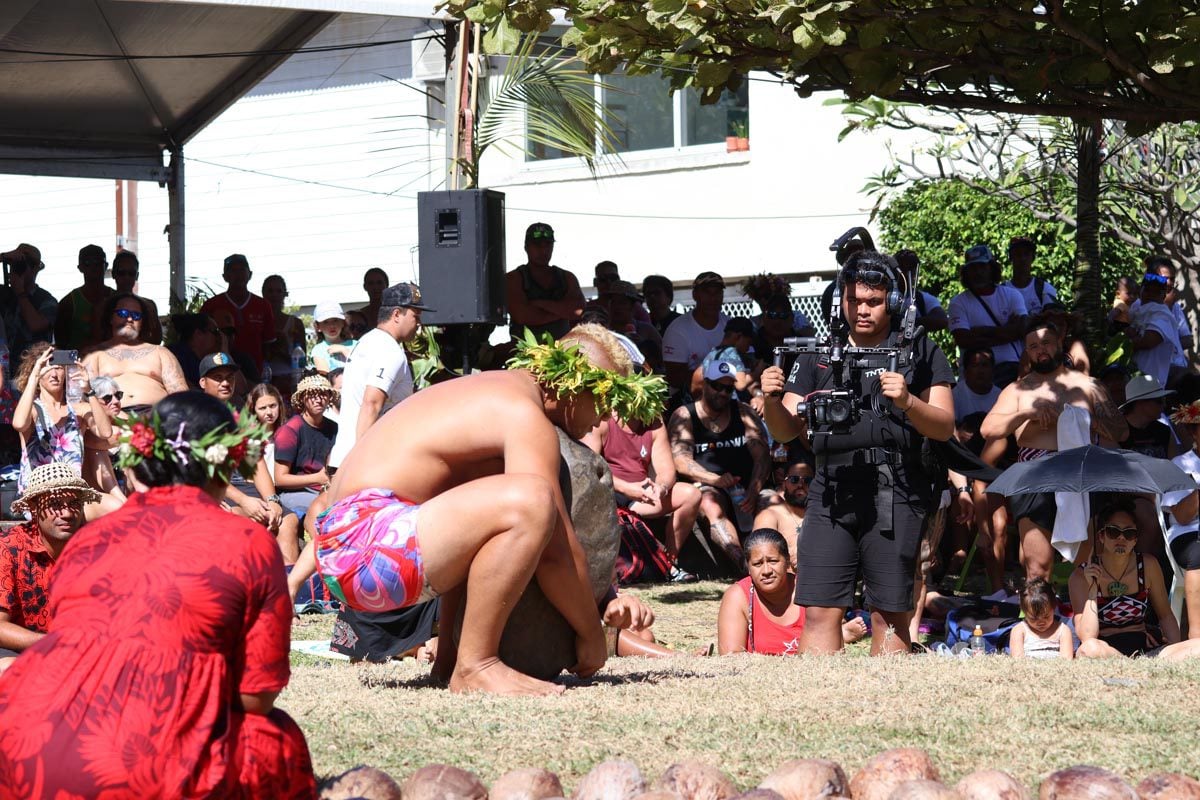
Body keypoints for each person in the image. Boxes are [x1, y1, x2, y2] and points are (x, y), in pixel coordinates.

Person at [288, 323, 666, 696]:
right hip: (367, 553)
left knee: (486, 498)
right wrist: (591, 635)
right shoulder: (522, 413)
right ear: (572, 385)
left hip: (345, 550)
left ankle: (450, 660)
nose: (601, 420)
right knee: (531, 500)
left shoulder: (490, 390)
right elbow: (556, 551)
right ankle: (476, 665)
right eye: (601, 403)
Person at [0, 393, 316, 796]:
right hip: (142, 765)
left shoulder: (85, 543)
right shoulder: (247, 542)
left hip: (31, 750)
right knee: (273, 737)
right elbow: (256, 697)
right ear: (224, 465)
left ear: (138, 469)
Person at [761, 250, 955, 656]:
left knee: (889, 613)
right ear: (841, 300)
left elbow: (944, 425)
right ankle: (822, 702)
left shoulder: (919, 349)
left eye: (874, 302)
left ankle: (886, 702)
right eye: (854, 301)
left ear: (894, 303)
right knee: (819, 609)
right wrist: (773, 400)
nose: (862, 310)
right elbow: (786, 431)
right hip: (830, 489)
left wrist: (907, 402)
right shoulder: (820, 352)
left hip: (894, 490)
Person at [981, 320, 1128, 581]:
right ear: (1027, 352)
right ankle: (1039, 620)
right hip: (1034, 478)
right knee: (1037, 567)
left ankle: (1082, 619)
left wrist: (1084, 419)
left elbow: (1121, 431)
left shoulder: (1088, 386)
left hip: (1081, 474)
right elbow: (988, 430)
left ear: (1060, 343)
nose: (1041, 350)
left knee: (1086, 567)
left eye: (1047, 342)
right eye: (1033, 346)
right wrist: (1027, 412)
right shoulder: (1017, 390)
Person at [668, 359, 770, 570]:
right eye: (717, 386)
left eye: (728, 388)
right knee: (709, 503)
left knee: (772, 500)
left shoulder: (743, 412)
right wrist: (715, 479)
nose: (723, 393)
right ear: (704, 384)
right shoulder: (685, 415)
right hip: (709, 485)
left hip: (746, 485)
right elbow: (681, 460)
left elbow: (762, 455)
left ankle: (775, 563)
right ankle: (744, 565)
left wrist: (754, 488)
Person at [1069, 498, 1200, 660]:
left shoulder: (1148, 565)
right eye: (1113, 531)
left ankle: (1137, 665)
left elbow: (1165, 615)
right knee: (1088, 649)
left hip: (1146, 649)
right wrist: (1092, 592)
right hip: (1107, 650)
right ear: (1101, 536)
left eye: (1129, 533)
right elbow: (1087, 636)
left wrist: (1174, 648)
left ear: (1135, 539)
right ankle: (1130, 665)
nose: (1121, 539)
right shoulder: (1081, 576)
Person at [0, 463, 99, 662]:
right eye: (55, 505)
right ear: (34, 508)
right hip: (22, 649)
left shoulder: (94, 547)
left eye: (74, 504)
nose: (68, 513)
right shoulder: (9, 547)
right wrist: (51, 643)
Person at [327, 282, 428, 473]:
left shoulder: (368, 341)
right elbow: (371, 404)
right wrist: (361, 464)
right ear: (397, 314)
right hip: (361, 464)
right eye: (416, 316)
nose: (419, 323)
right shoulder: (389, 350)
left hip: (345, 458)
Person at [716, 529, 867, 655]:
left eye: (773, 561)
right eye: (757, 564)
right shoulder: (737, 596)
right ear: (748, 567)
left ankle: (840, 633)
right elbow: (731, 656)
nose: (766, 571)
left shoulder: (809, 587)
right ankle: (842, 634)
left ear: (787, 561)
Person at [582, 408, 701, 563]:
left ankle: (668, 563)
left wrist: (661, 488)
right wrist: (626, 488)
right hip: (610, 496)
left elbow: (667, 470)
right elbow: (590, 468)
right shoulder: (603, 420)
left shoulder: (654, 423)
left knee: (691, 494)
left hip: (641, 497)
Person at [12, 345, 113, 508]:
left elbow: (105, 432)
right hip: (38, 497)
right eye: (47, 368)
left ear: (66, 372)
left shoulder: (79, 410)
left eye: (58, 368)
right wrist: (34, 376)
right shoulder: (33, 410)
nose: (53, 373)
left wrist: (89, 391)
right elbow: (19, 423)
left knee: (115, 506)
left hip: (71, 496)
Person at [83, 292, 188, 414]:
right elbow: (84, 396)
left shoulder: (161, 352)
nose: (129, 319)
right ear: (111, 318)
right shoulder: (94, 354)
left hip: (157, 420)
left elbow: (181, 396)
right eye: (122, 313)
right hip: (111, 422)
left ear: (142, 322)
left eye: (136, 315)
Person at [947, 244, 1028, 387]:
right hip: (975, 379)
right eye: (973, 268)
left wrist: (980, 332)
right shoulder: (958, 303)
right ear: (966, 272)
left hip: (1014, 373)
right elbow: (964, 339)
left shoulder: (1012, 295)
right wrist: (1007, 330)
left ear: (992, 268)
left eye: (982, 267)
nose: (978, 272)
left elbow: (1023, 329)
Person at [506, 222, 585, 341]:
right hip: (525, 354)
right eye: (537, 245)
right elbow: (523, 316)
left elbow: (578, 311)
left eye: (548, 245)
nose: (543, 250)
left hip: (562, 353)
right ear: (526, 247)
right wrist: (562, 311)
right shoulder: (514, 278)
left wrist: (540, 304)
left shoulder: (567, 277)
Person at [274, 375, 338, 519]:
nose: (318, 399)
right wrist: (317, 478)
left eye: (323, 394)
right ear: (303, 399)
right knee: (330, 508)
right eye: (312, 395)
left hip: (326, 488)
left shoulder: (334, 427)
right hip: (295, 493)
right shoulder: (290, 430)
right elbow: (280, 479)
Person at [200, 253, 276, 375]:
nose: (238, 275)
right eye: (232, 271)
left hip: (255, 375)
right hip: (221, 373)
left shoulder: (263, 305)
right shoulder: (211, 305)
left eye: (241, 270)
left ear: (250, 274)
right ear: (225, 276)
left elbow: (269, 346)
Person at [662, 272, 730, 397]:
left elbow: (745, 362)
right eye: (707, 293)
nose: (712, 298)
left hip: (727, 393)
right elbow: (675, 378)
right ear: (695, 295)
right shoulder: (677, 330)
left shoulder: (730, 324)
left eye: (717, 293)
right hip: (687, 397)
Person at [0, 242, 57, 367]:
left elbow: (36, 324)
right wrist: (2, 257)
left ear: (35, 268)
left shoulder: (47, 300)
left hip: (33, 371)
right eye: (14, 265)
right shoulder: (4, 294)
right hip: (5, 371)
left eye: (23, 265)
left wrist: (20, 292)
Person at [1124, 271, 1185, 388]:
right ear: (1140, 291)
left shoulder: (1163, 316)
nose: (1150, 295)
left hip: (1151, 384)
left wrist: (1126, 341)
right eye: (1147, 290)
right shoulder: (1138, 311)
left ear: (1163, 296)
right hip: (1134, 380)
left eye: (1156, 292)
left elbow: (1147, 342)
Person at [751, 458, 813, 568]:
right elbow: (758, 556)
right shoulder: (769, 516)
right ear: (784, 484)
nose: (800, 484)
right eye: (794, 479)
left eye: (807, 480)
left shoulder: (823, 516)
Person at [54, 243, 115, 351]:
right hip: (78, 364)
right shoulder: (68, 303)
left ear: (105, 265)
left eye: (98, 262)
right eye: (88, 263)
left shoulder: (117, 299)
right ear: (80, 267)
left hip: (113, 363)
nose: (93, 267)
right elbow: (61, 346)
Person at [261, 274, 307, 397]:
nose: (274, 295)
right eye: (270, 291)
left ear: (285, 294)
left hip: (290, 381)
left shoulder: (295, 323)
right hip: (264, 379)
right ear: (263, 293)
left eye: (278, 291)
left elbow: (302, 360)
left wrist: (283, 349)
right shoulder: (258, 321)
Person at [1008, 578, 1073, 659]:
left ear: (1054, 608)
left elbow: (1066, 660)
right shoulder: (1019, 631)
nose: (1041, 622)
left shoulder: (1063, 631)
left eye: (1046, 616)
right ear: (1024, 611)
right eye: (1033, 618)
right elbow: (1017, 660)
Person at [1119, 373, 1178, 460]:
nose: (1164, 405)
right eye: (1159, 400)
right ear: (1140, 403)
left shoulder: (1165, 432)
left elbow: (1175, 467)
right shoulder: (1116, 431)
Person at [110, 250, 163, 344]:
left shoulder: (149, 306)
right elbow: (98, 341)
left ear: (137, 276)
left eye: (131, 273)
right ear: (113, 274)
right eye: (122, 273)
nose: (127, 277)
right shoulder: (102, 307)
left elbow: (157, 340)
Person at [1002, 236, 1058, 317]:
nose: (1022, 258)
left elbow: (1052, 320)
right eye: (1018, 254)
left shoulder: (1044, 289)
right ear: (1011, 258)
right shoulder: (1001, 292)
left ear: (1032, 258)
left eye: (1026, 254)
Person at [167, 311, 221, 388]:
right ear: (198, 334)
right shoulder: (174, 357)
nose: (220, 338)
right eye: (216, 332)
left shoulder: (206, 361)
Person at [953, 348, 1001, 423]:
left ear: (993, 370)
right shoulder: (955, 394)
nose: (980, 371)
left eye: (985, 365)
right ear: (965, 371)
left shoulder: (1001, 396)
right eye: (975, 365)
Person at [310, 300, 356, 375]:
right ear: (318, 327)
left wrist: (344, 351)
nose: (332, 326)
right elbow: (326, 379)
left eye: (335, 320)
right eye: (325, 322)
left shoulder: (357, 345)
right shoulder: (318, 350)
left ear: (343, 323)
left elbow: (365, 368)